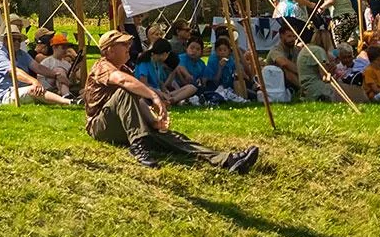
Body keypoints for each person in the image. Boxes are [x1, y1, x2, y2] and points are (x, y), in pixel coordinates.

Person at [83, 32, 257, 173]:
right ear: (108, 51)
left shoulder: (125, 69)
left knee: (174, 138)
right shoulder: (102, 66)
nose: (128, 47)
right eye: (123, 44)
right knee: (125, 90)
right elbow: (122, 83)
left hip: (121, 126)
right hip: (100, 126)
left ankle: (227, 160)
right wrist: (154, 96)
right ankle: (138, 145)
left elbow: (135, 102)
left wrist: (153, 122)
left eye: (128, 43)